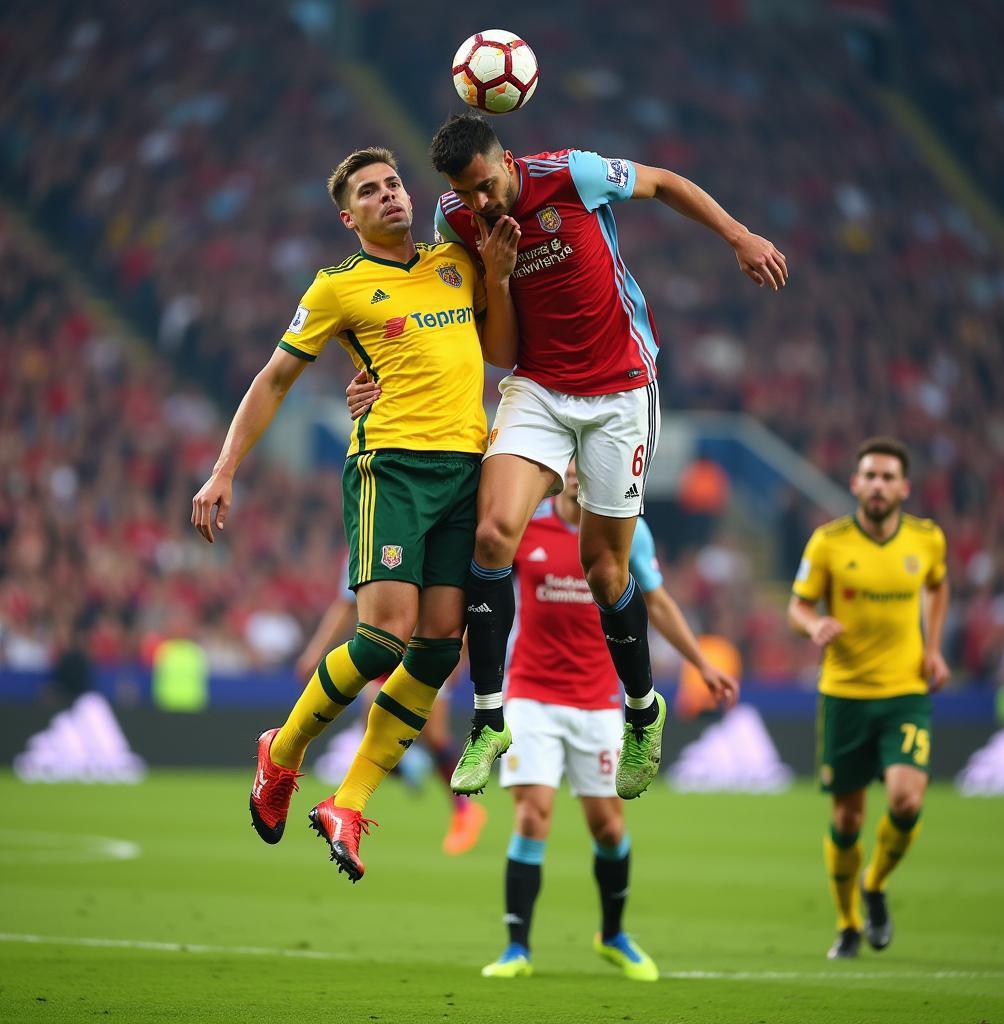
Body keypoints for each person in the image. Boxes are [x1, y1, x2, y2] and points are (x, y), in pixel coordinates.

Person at [424, 113, 786, 799]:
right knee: (494, 532)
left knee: (603, 566)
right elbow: (498, 353)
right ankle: (489, 717)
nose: (480, 203)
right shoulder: (455, 223)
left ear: (507, 161)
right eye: (464, 193)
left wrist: (738, 237)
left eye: (485, 186)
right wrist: (496, 279)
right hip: (536, 386)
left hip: (621, 388)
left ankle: (644, 712)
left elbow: (666, 182)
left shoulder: (570, 174)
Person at [191, 146, 519, 881]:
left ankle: (349, 801)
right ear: (350, 217)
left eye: (395, 183)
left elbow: (499, 353)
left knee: (438, 650)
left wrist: (497, 276)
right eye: (370, 192)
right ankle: (281, 753)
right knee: (384, 636)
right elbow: (275, 378)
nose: (389, 196)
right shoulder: (337, 287)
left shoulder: (456, 263)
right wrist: (224, 469)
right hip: (391, 470)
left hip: (467, 470)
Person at [479, 461, 738, 980]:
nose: (577, 473)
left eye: (586, 463)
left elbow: (657, 602)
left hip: (599, 702)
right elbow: (484, 590)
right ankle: (517, 949)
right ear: (557, 471)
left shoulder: (626, 529)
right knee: (532, 814)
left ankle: (614, 935)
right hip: (531, 694)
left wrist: (701, 662)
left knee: (608, 825)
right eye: (569, 463)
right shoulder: (524, 521)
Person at [787, 437, 950, 959]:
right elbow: (797, 605)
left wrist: (935, 646)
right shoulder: (829, 542)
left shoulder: (927, 540)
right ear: (855, 484)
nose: (877, 485)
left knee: (907, 799)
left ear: (903, 487)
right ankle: (847, 923)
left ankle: (875, 883)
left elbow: (938, 586)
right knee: (847, 821)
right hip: (845, 696)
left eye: (887, 477)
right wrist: (813, 624)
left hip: (905, 691)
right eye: (869, 476)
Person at [296, 567, 486, 856]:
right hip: (384, 645)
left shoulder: (435, 529)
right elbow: (345, 604)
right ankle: (408, 769)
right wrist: (316, 651)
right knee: (371, 724)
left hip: (427, 647)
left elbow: (461, 593)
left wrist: (459, 650)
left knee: (434, 734)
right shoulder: (365, 537)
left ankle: (464, 810)